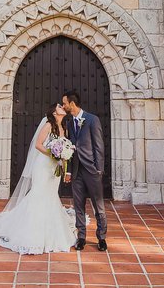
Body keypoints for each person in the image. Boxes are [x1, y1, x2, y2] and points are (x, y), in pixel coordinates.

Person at [0, 102, 77, 254]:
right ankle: (32, 232)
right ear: (54, 112)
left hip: (54, 168)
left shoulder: (64, 128)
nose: (62, 107)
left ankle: (50, 229)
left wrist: (64, 167)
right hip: (43, 166)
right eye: (59, 106)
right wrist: (52, 153)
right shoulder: (48, 125)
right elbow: (38, 144)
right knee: (38, 194)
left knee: (50, 196)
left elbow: (65, 149)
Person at [62, 90, 108, 251]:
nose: (63, 106)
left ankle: (101, 237)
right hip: (76, 172)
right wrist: (68, 171)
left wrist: (98, 170)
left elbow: (99, 146)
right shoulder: (69, 123)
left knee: (98, 206)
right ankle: (81, 237)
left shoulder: (92, 120)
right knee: (78, 206)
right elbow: (69, 147)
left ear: (72, 104)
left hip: (91, 170)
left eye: (65, 103)